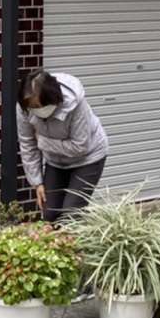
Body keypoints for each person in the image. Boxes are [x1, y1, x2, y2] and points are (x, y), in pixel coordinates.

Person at [16, 70, 109, 224]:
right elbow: (27, 143)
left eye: (37, 105)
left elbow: (80, 146)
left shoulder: (75, 104)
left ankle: (77, 246)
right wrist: (37, 182)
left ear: (51, 99)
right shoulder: (24, 106)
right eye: (31, 106)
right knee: (49, 213)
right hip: (56, 161)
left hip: (88, 158)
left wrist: (43, 142)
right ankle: (55, 245)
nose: (34, 109)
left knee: (71, 213)